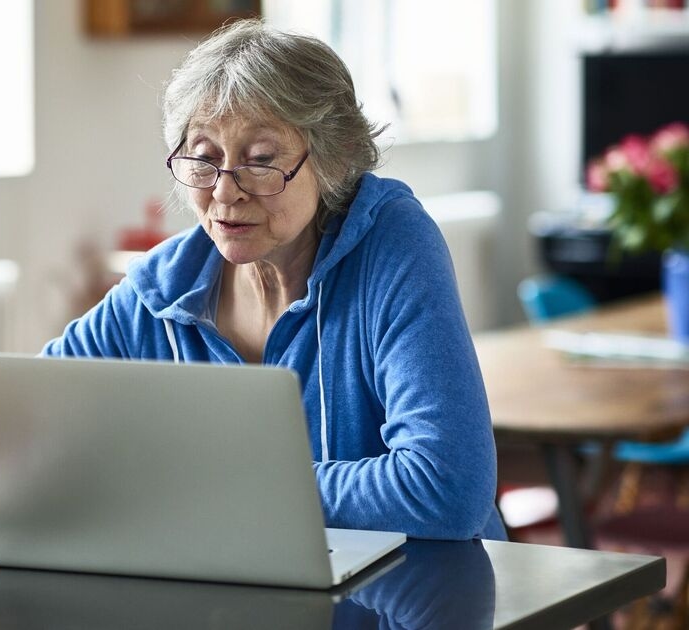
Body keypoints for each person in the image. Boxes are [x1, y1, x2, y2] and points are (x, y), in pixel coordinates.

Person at [42, 19, 506, 541]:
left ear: (335, 161)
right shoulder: (165, 286)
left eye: (261, 162)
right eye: (204, 157)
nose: (225, 192)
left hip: (418, 597)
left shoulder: (392, 247)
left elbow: (445, 488)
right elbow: (32, 418)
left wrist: (220, 489)